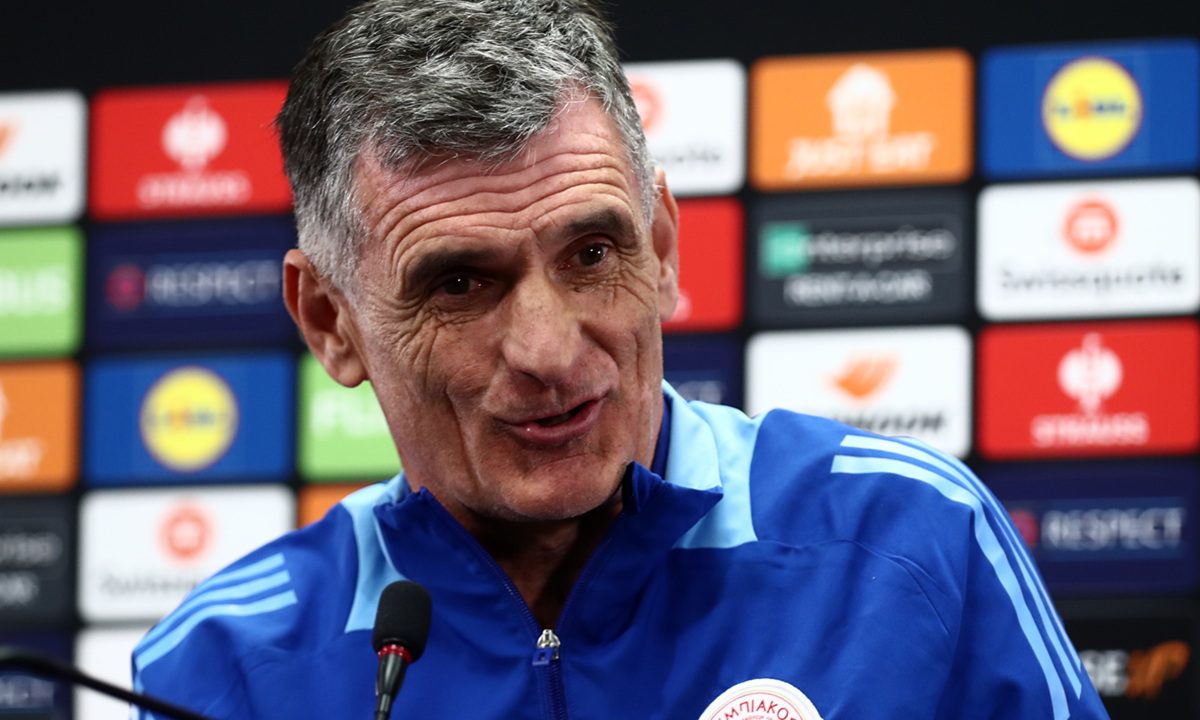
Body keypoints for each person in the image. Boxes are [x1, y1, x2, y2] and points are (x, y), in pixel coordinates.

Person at [132, 1, 1109, 718]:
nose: (550, 351)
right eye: (460, 283)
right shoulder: (222, 671)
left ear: (663, 247)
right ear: (330, 320)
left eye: (592, 255)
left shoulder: (910, 540)